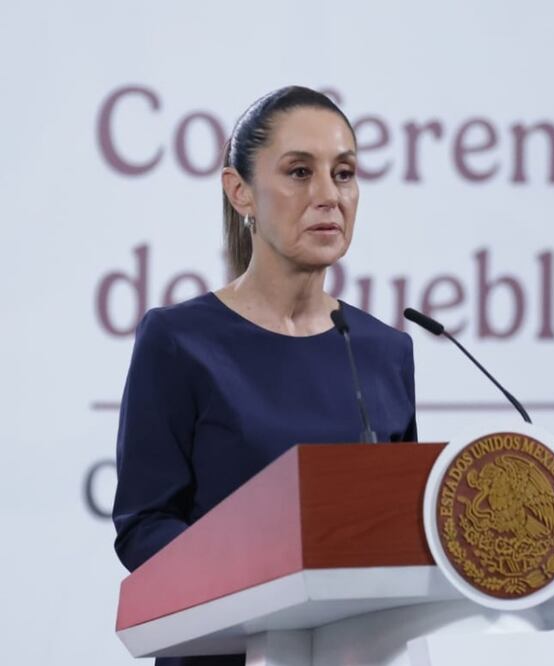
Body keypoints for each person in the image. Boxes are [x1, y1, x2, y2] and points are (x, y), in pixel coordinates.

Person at [111, 86, 417, 666]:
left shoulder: (384, 351)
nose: (329, 195)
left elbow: (399, 532)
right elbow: (144, 526)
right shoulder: (178, 341)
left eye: (344, 173)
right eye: (300, 172)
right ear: (240, 191)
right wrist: (265, 580)